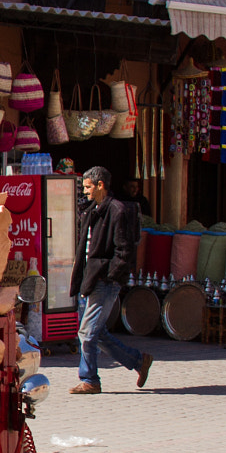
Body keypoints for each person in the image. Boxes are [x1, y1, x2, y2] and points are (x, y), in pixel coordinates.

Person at [68, 165, 153, 394]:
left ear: (100, 185)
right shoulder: (91, 210)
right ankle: (138, 361)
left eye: (88, 187)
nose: (85, 191)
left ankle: (90, 380)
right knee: (97, 332)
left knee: (86, 333)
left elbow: (124, 250)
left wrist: (111, 276)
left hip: (103, 281)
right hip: (88, 279)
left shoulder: (117, 210)